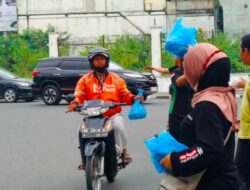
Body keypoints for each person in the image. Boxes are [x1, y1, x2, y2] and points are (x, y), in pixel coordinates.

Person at [160, 43, 240, 189]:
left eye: (189, 66)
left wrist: (175, 160)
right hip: (224, 178)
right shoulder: (223, 95)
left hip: (211, 181)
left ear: (200, 69)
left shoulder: (207, 104)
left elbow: (208, 149)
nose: (188, 71)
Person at [68, 47, 144, 166]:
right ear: (91, 62)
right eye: (96, 59)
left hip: (112, 114)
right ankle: (85, 158)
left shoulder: (116, 79)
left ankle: (123, 151)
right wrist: (75, 103)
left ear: (106, 61)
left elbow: (125, 94)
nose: (99, 61)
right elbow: (79, 94)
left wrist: (133, 98)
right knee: (81, 130)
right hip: (92, 116)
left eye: (102, 59)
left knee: (119, 127)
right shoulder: (85, 80)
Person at [144, 58, 194, 140]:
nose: (175, 58)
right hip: (176, 106)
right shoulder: (176, 70)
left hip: (190, 106)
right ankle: (168, 134)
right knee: (174, 129)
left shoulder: (195, 71)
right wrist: (153, 68)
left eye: (177, 57)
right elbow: (166, 71)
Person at [235, 34, 250, 190]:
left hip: (248, 137)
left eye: (240, 50)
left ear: (246, 51)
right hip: (245, 132)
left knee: (241, 175)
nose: (239, 54)